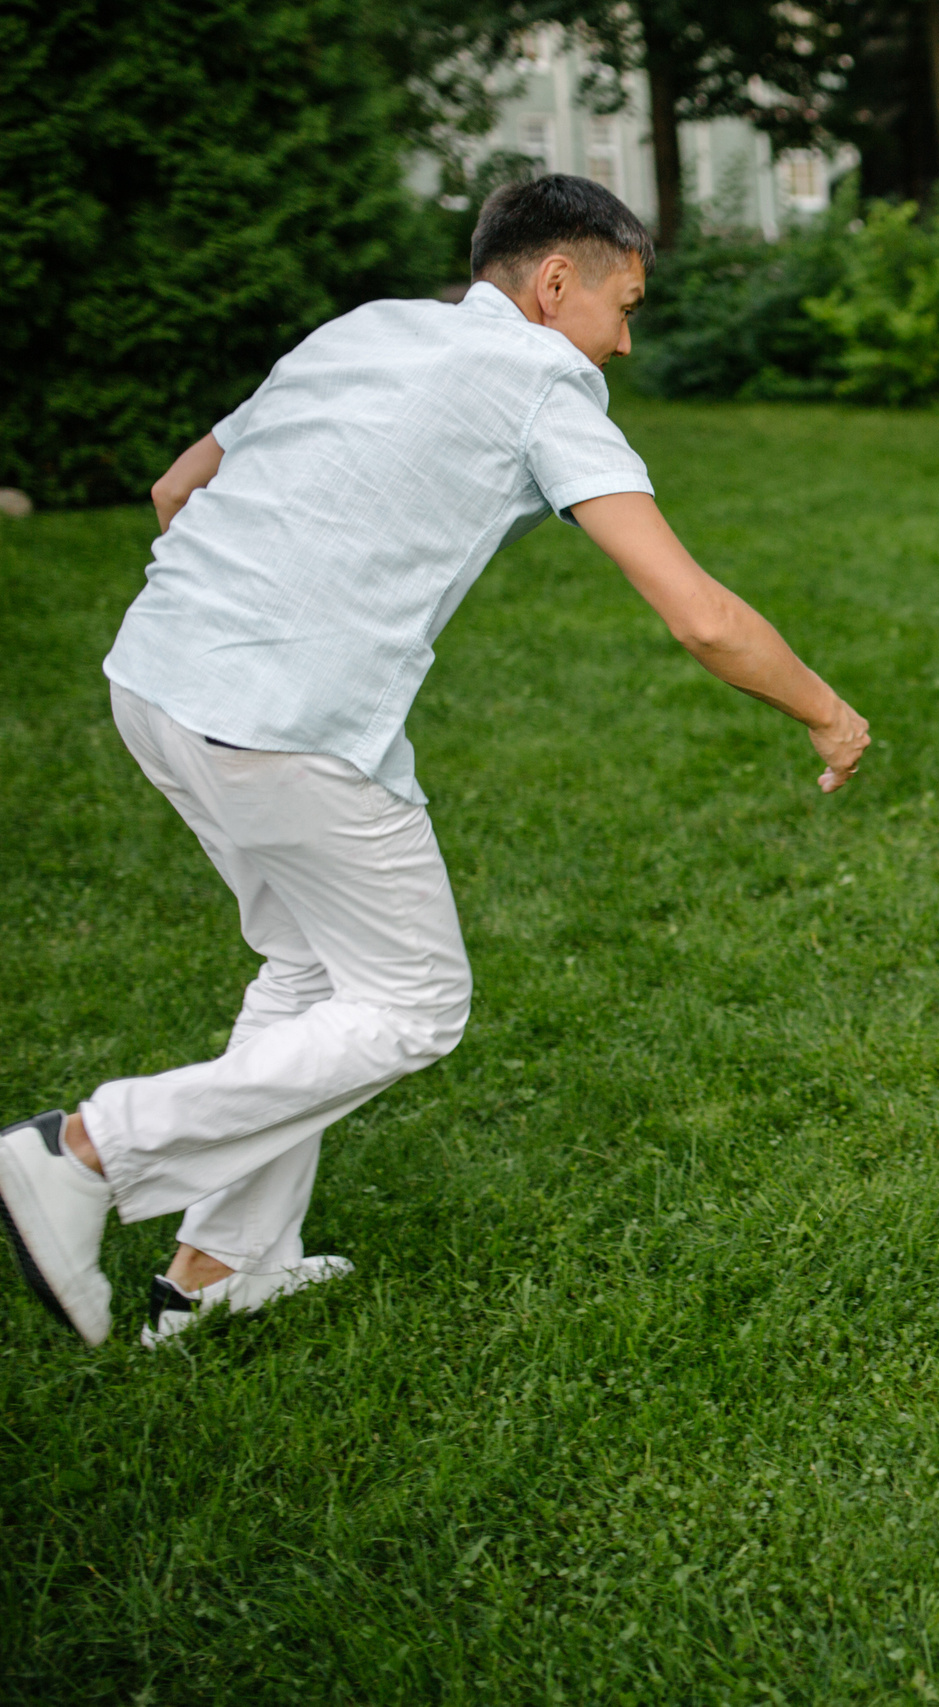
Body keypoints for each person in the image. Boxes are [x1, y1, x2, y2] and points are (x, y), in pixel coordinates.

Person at [0, 176, 870, 1350]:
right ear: (554, 283)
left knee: (311, 968)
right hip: (282, 725)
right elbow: (700, 616)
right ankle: (82, 1152)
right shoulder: (545, 380)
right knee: (413, 1004)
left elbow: (177, 487)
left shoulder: (367, 327)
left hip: (153, 680)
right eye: (624, 306)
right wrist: (827, 712)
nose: (624, 341)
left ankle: (220, 1269)